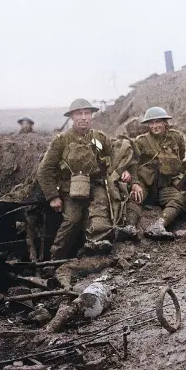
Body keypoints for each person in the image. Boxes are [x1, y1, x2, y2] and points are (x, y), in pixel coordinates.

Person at [37, 98, 126, 259]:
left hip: (96, 185)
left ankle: (97, 250)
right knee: (72, 219)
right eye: (79, 114)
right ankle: (55, 259)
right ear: (72, 117)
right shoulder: (61, 140)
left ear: (92, 116)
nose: (84, 117)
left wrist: (122, 172)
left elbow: (114, 157)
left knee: (101, 211)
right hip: (70, 188)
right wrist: (53, 196)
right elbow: (45, 169)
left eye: (87, 113)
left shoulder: (100, 138)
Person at [125, 107, 186, 240]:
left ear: (165, 122)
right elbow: (133, 164)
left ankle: (159, 225)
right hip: (146, 183)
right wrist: (135, 183)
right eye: (151, 123)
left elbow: (181, 158)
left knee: (178, 199)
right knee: (136, 197)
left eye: (158, 122)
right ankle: (129, 227)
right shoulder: (141, 141)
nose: (155, 126)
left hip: (165, 185)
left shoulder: (176, 138)